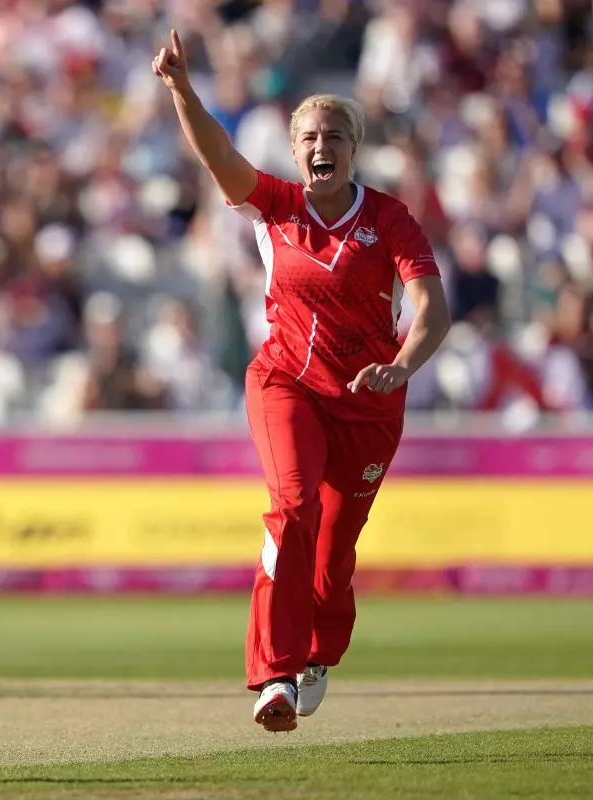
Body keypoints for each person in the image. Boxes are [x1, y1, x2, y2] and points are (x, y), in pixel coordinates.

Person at [153, 31, 452, 732]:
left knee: (333, 554)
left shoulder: (390, 218)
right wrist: (181, 91)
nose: (323, 146)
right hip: (286, 383)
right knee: (292, 506)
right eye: (311, 136)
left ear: (355, 147)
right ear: (296, 150)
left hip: (372, 402)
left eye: (336, 136)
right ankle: (274, 674)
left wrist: (403, 364)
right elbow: (220, 158)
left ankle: (318, 655)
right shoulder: (275, 206)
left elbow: (433, 309)